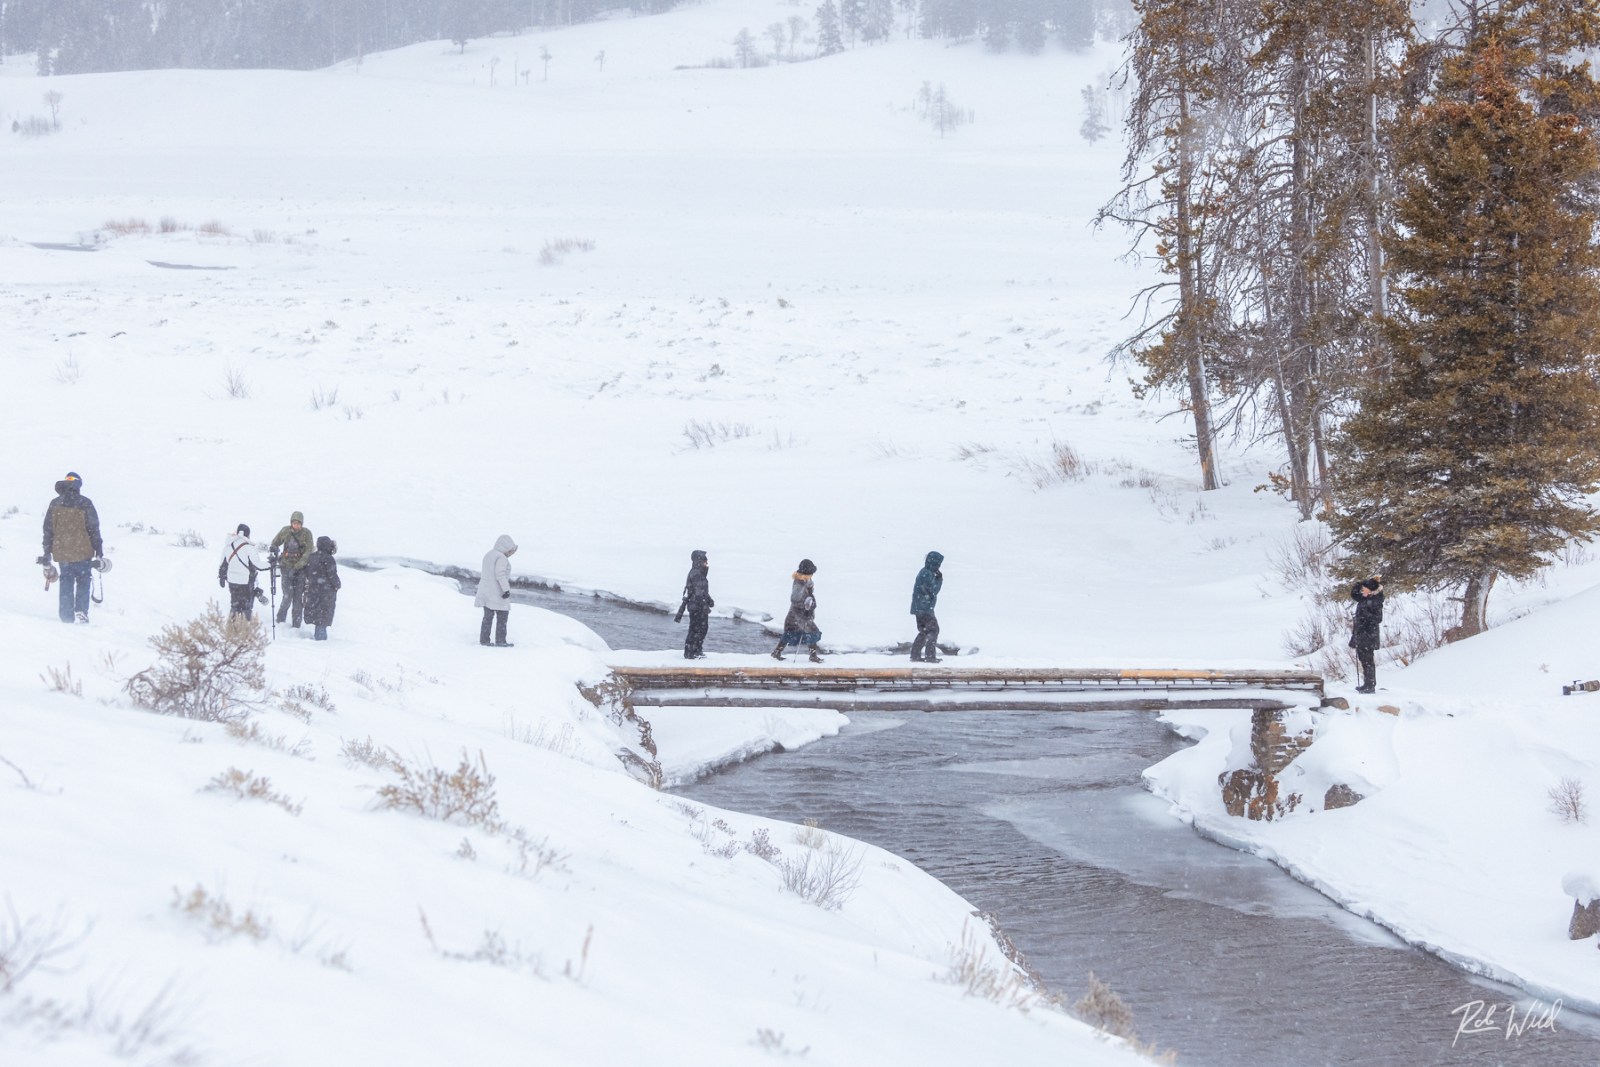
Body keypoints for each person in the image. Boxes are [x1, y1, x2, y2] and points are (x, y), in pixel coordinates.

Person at [40, 471, 103, 624]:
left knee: (66, 581)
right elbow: (94, 529)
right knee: (83, 580)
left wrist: (47, 551)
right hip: (83, 552)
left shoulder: (55, 503)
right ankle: (81, 611)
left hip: (63, 553)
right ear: (79, 484)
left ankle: (66, 616)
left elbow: (48, 530)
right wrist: (99, 551)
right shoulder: (85, 502)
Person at [268, 511, 314, 629]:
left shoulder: (307, 534)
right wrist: (274, 549)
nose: (296, 525)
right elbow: (275, 542)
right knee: (287, 596)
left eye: (298, 523)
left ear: (302, 524)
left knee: (298, 599)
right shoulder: (285, 531)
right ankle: (280, 621)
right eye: (294, 523)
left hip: (301, 571)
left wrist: (299, 566)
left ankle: (296, 626)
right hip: (286, 567)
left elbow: (308, 552)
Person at [772, 558, 822, 663]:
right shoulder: (800, 583)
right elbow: (794, 599)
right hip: (799, 614)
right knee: (812, 631)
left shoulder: (806, 581)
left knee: (790, 631)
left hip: (794, 613)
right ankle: (813, 656)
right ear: (806, 573)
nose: (812, 575)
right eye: (811, 573)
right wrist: (806, 608)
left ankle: (777, 652)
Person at [220, 523, 269, 620]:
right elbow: (258, 564)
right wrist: (270, 565)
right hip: (246, 582)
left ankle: (232, 627)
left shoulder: (228, 547)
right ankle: (245, 627)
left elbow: (223, 564)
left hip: (232, 581)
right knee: (246, 607)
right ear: (248, 534)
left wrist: (221, 577)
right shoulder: (249, 547)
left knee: (234, 605)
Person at [476, 535, 518, 647]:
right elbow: (500, 574)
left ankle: (484, 640)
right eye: (510, 551)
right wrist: (506, 590)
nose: (511, 554)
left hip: (485, 590)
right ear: (505, 548)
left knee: (488, 616)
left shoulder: (489, 554)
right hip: (496, 592)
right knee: (503, 615)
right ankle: (500, 641)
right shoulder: (501, 558)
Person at [1349, 575, 1384, 694]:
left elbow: (1378, 619)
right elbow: (1354, 594)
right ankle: (1367, 684)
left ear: (1370, 590)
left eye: (1364, 588)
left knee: (1368, 660)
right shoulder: (1365, 598)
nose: (1362, 590)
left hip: (1369, 635)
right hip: (1361, 634)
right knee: (1363, 659)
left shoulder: (1375, 601)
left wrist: (1365, 615)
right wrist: (1360, 582)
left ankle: (1370, 685)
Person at [677, 549, 714, 659]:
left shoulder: (697, 572)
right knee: (698, 629)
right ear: (699, 560)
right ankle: (692, 652)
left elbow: (701, 591)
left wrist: (708, 600)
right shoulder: (697, 574)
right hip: (697, 607)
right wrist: (705, 603)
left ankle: (693, 651)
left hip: (696, 606)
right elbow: (699, 593)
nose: (706, 562)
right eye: (704, 560)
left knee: (697, 629)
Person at [909, 550, 945, 663]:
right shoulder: (927, 574)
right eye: (938, 564)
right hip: (924, 608)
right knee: (933, 630)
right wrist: (939, 579)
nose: (939, 566)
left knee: (924, 631)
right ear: (933, 563)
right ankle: (929, 656)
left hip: (920, 608)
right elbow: (933, 590)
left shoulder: (924, 572)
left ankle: (915, 655)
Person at [302, 536, 341, 641]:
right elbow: (332, 575)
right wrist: (337, 585)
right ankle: (321, 642)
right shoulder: (329, 559)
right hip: (326, 592)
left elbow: (306, 572)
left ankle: (318, 637)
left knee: (316, 616)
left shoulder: (311, 557)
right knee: (322, 618)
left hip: (313, 590)